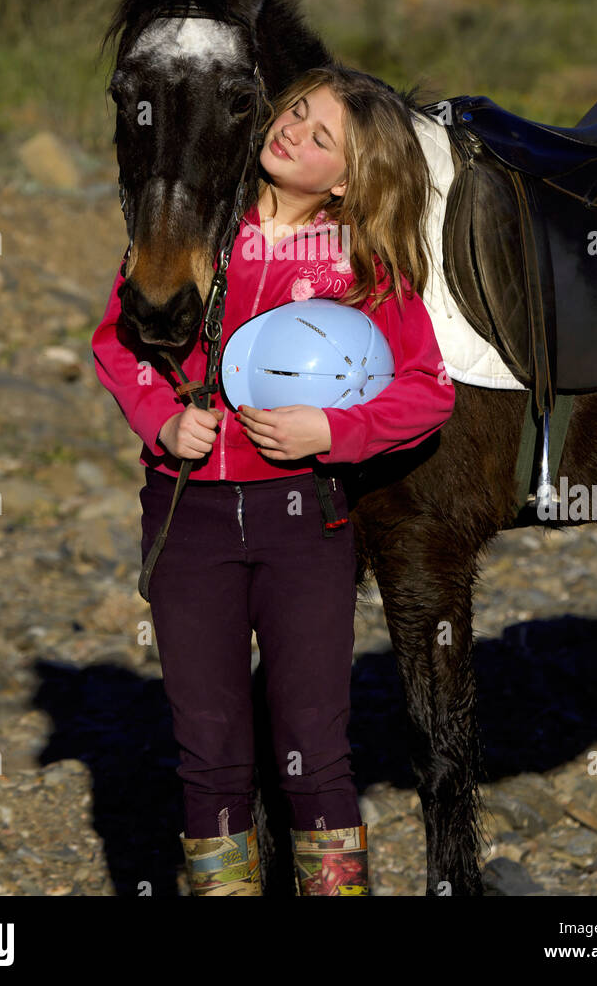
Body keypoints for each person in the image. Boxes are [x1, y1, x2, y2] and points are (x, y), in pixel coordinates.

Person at [91, 63, 456, 896]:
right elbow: (115, 340)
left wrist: (333, 430)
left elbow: (428, 391)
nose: (291, 131)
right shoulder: (195, 223)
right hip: (189, 522)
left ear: (349, 182)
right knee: (210, 756)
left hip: (307, 527)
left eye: (320, 135)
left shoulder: (362, 262)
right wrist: (160, 420)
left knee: (316, 752)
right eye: (295, 111)